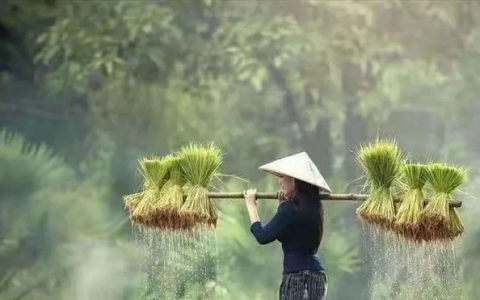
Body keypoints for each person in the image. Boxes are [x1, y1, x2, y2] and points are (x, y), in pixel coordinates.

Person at [243, 152, 330, 300]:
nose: (280, 182)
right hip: (317, 276)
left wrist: (251, 206)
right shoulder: (315, 209)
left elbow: (263, 236)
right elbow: (288, 231)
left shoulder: (289, 210)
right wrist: (282, 204)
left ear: (296, 181)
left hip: (297, 277)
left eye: (283, 177)